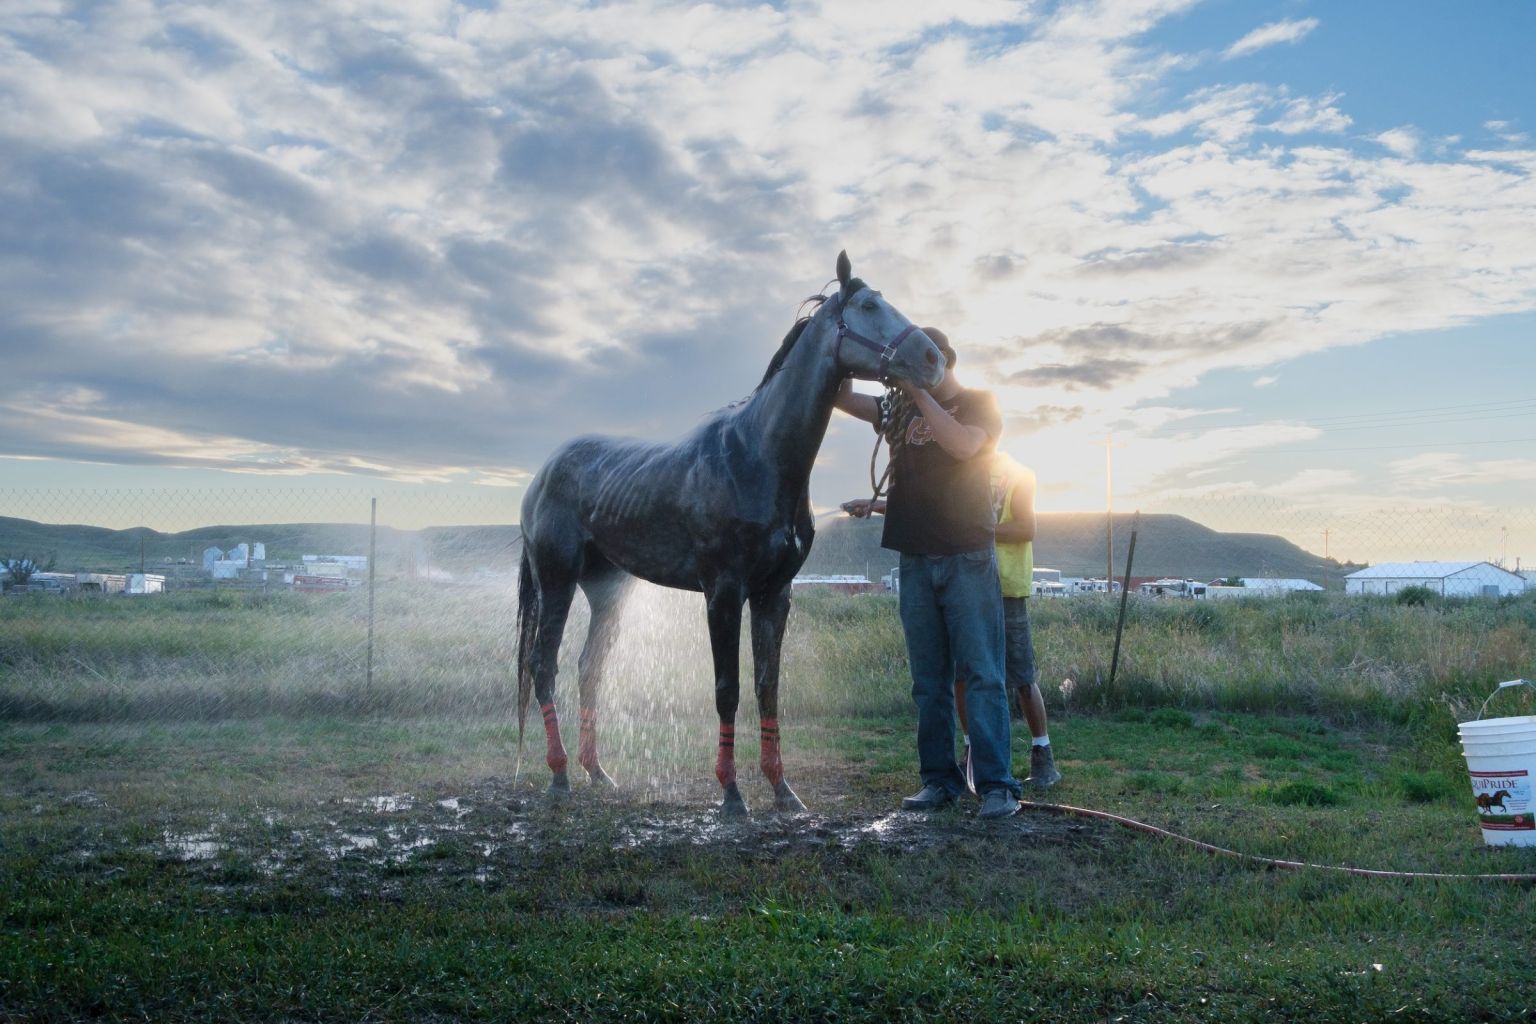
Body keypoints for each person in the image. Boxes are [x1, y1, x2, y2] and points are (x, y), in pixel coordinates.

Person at [836, 328, 1021, 820]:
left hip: (966, 556)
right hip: (915, 558)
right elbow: (846, 399)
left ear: (943, 360)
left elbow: (963, 447)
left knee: (982, 673)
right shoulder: (901, 411)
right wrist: (850, 357)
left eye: (921, 363)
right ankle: (938, 781)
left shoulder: (980, 404)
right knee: (928, 681)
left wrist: (917, 391)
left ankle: (997, 785)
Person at [956, 454, 1062, 789]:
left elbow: (1026, 528)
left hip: (1007, 588)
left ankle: (1043, 757)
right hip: (968, 586)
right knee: (962, 673)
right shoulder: (958, 474)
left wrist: (978, 530)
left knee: (1021, 676)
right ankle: (971, 752)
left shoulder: (1018, 475)